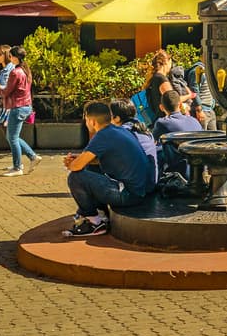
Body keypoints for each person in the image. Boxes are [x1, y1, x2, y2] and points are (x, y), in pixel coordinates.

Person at [62, 101, 156, 238]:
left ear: (92, 121)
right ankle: (99, 213)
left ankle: (94, 221)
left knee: (75, 177)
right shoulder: (117, 130)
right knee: (90, 167)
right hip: (138, 190)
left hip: (129, 195)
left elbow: (76, 167)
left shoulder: (102, 135)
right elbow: (99, 158)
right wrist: (80, 159)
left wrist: (71, 163)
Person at [0, 44, 39, 176]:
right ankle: (32, 157)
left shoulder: (15, 72)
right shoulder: (25, 70)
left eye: (10, 56)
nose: (9, 58)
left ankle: (18, 167)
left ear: (14, 58)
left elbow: (6, 91)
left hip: (17, 107)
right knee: (13, 137)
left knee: (12, 138)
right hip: (24, 106)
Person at [151, 90, 203, 179]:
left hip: (179, 171)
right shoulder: (194, 121)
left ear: (161, 107)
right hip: (199, 169)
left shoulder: (162, 123)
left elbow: (153, 142)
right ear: (180, 105)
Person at [110, 97, 158, 184]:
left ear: (117, 118)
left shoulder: (121, 133)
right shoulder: (144, 129)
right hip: (152, 183)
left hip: (133, 189)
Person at [144, 49, 176, 120]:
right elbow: (172, 100)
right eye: (170, 63)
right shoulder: (161, 79)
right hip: (166, 119)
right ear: (165, 62)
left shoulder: (154, 77)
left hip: (157, 118)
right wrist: (188, 96)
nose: (170, 66)